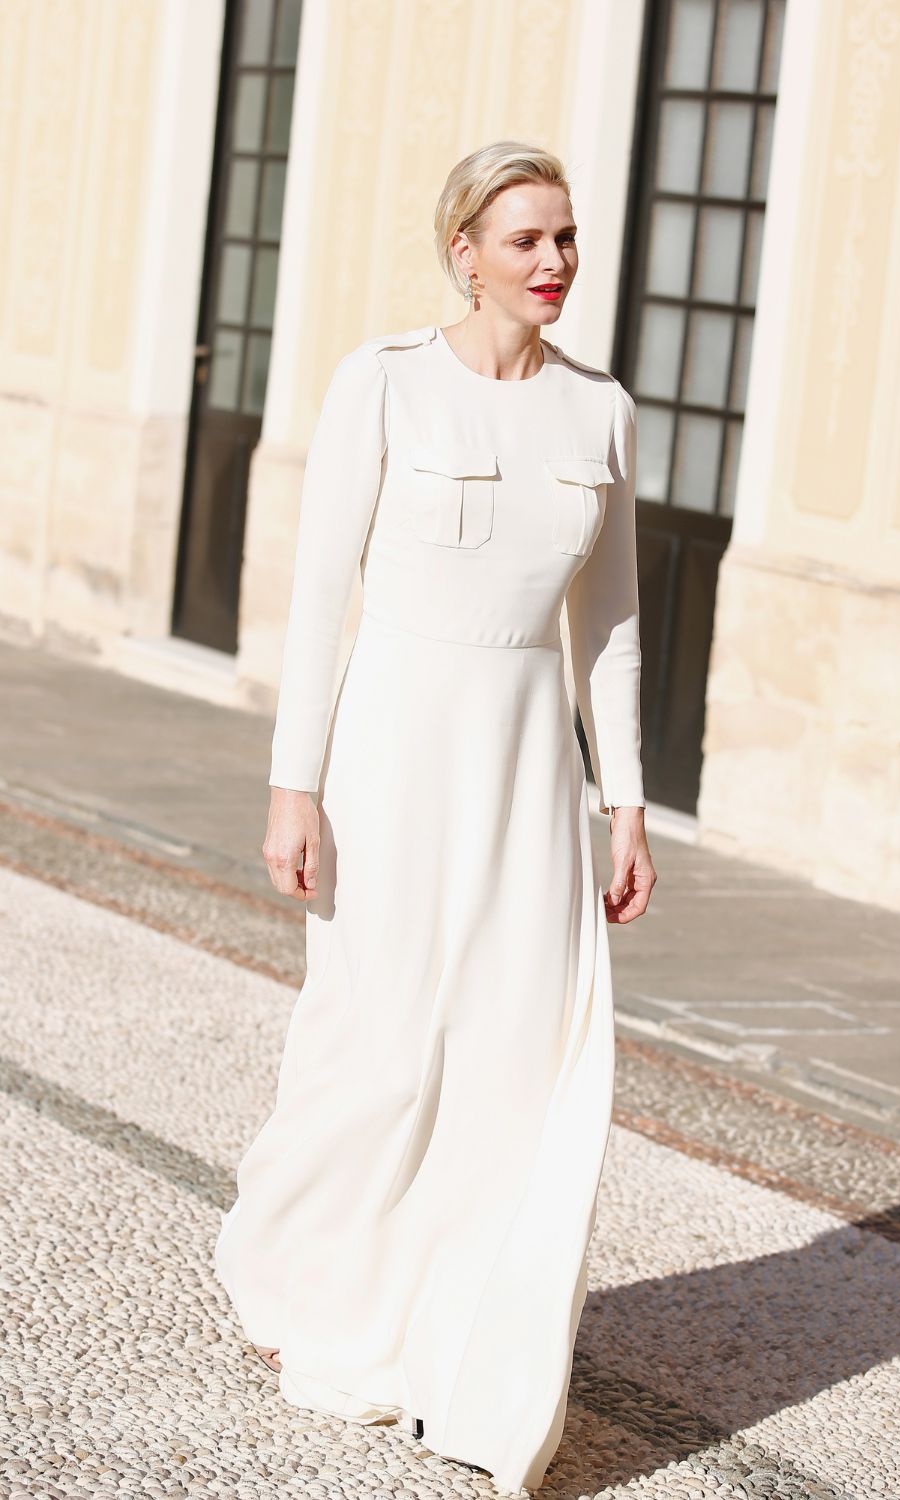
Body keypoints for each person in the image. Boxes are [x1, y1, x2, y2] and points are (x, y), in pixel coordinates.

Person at [214, 139, 657, 1496]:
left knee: (526, 1060)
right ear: (463, 248)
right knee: (379, 1044)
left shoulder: (600, 412)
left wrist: (624, 801)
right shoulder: (384, 384)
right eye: (526, 239)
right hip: (392, 759)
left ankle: (473, 1357)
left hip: (530, 774)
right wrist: (295, 781)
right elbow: (316, 592)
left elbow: (616, 628)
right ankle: (313, 1288)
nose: (555, 263)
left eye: (567, 238)